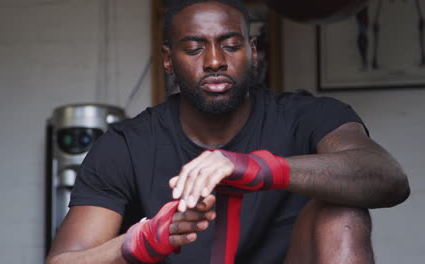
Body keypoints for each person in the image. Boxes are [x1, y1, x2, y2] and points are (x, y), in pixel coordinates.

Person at [46, 1, 410, 263]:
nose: (215, 61)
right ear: (169, 59)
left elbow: (388, 179)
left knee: (341, 209)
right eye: (193, 48)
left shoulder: (306, 116)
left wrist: (259, 168)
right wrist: (140, 241)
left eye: (231, 45)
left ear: (253, 51)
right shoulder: (126, 145)